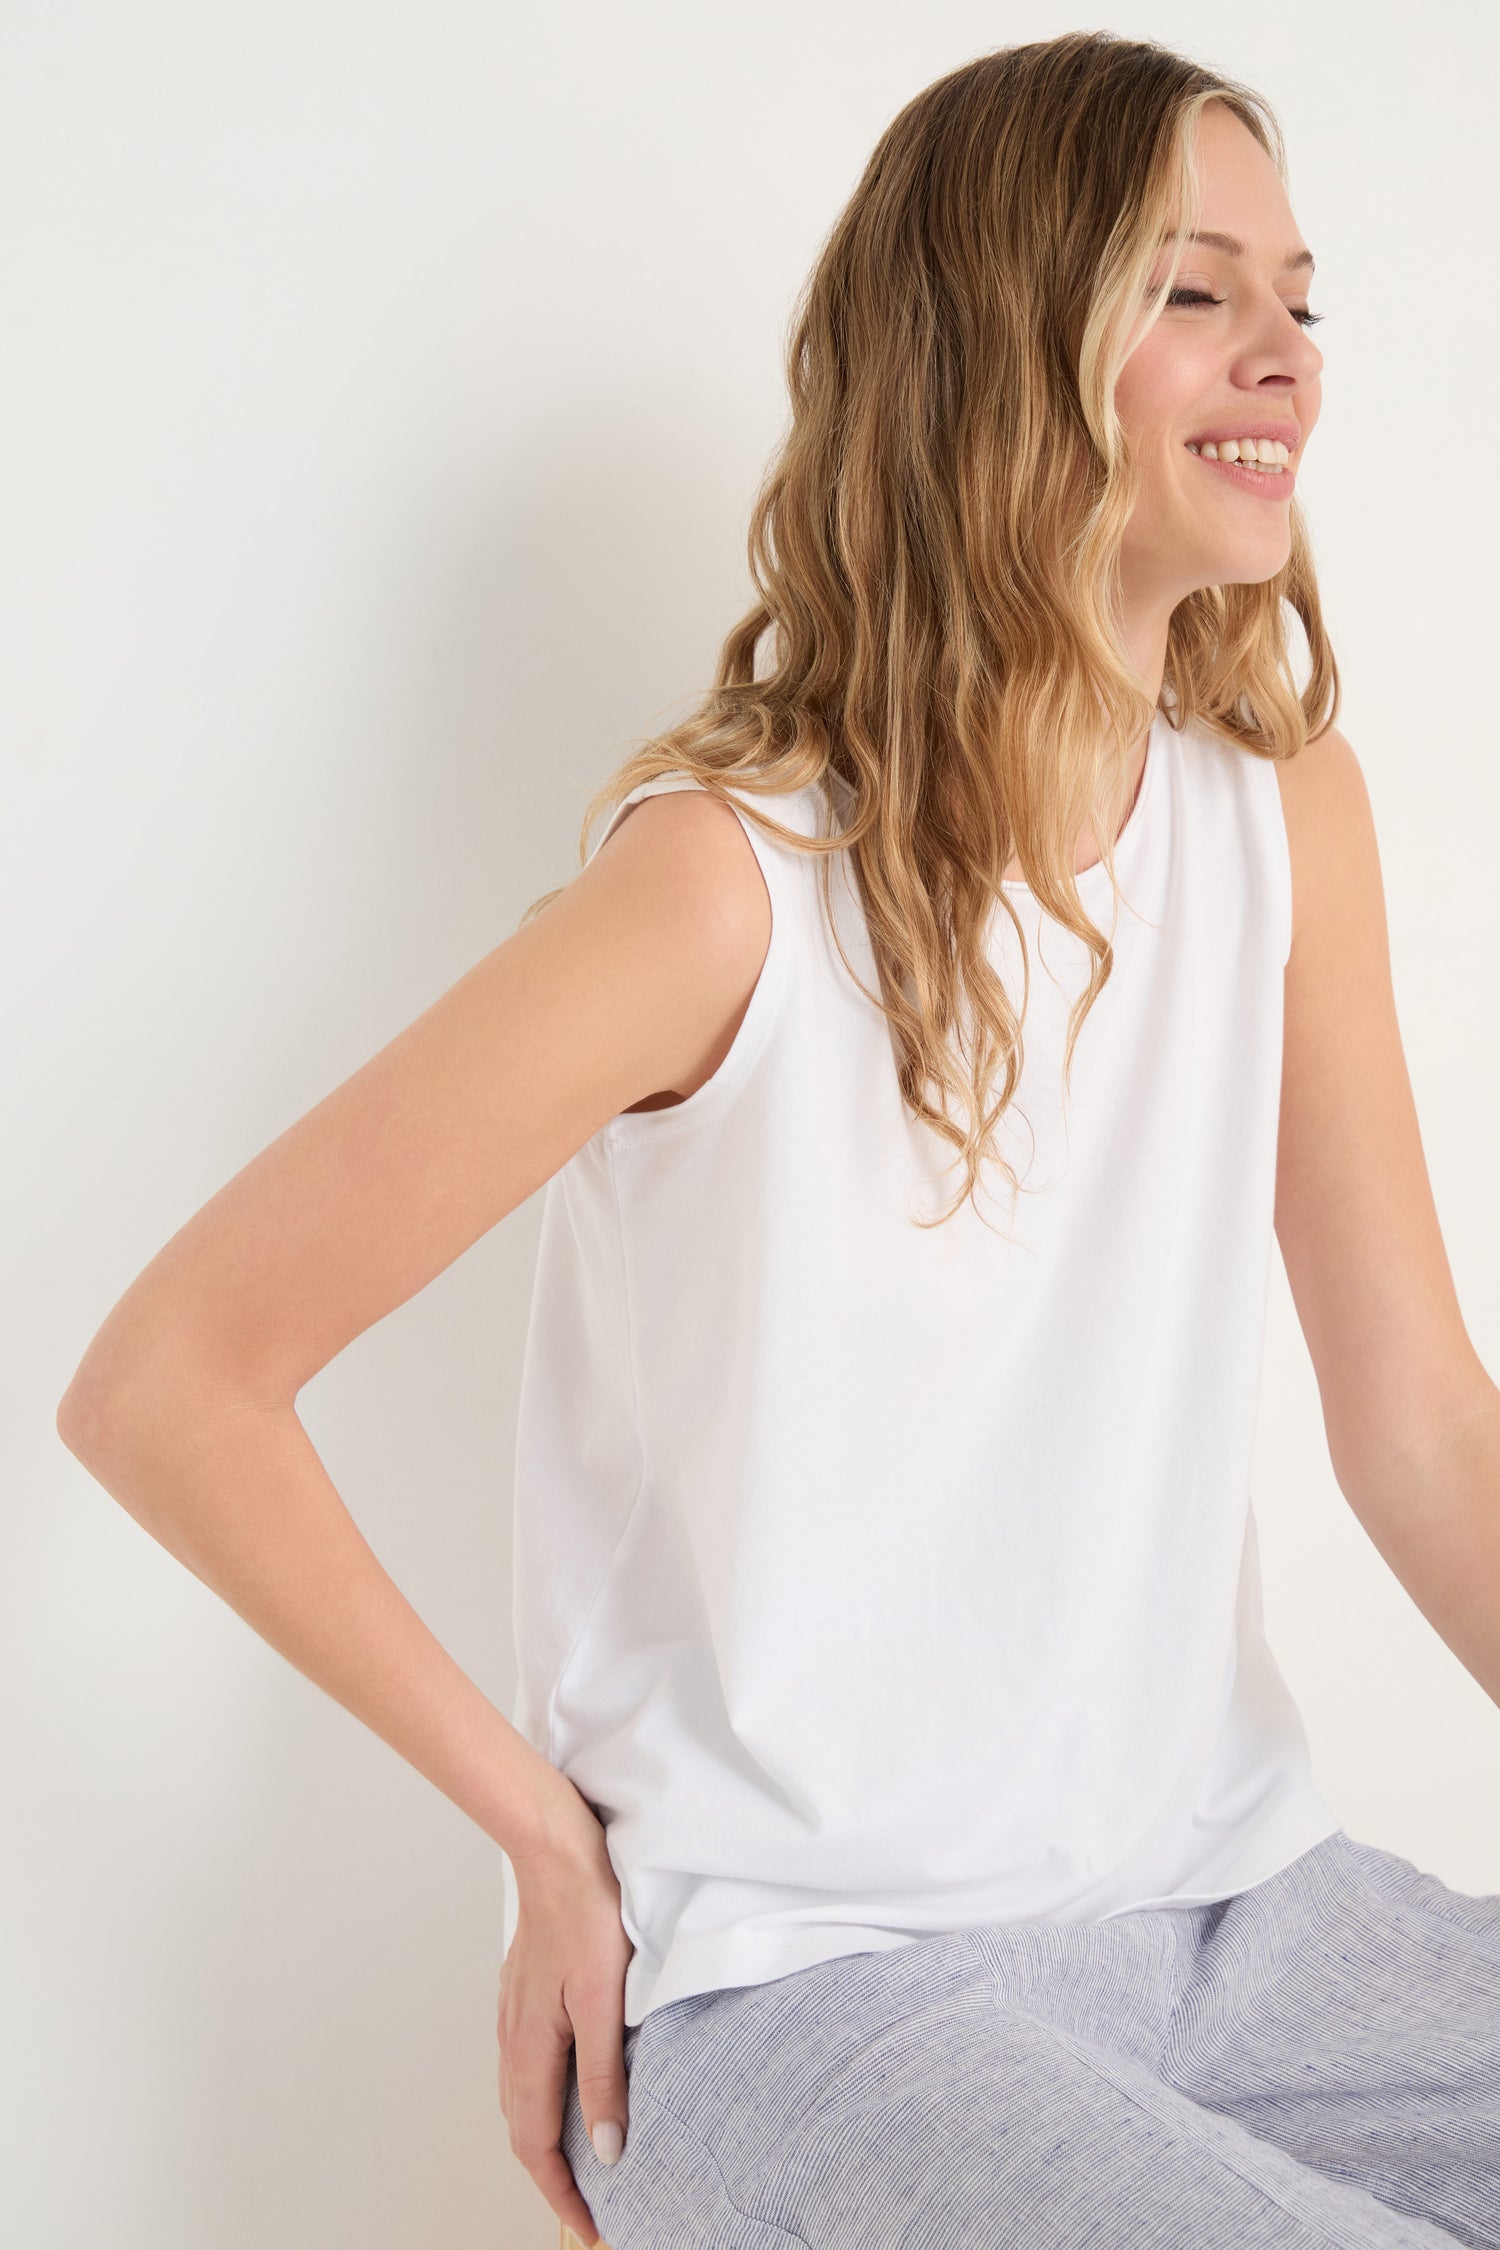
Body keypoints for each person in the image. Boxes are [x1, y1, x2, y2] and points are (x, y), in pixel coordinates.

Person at [56, 29, 1500, 2250]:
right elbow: (173, 1378)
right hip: (816, 1995)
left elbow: (1419, 1430)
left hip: (1249, 1931)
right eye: (1198, 291)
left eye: (1303, 296)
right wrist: (545, 1842)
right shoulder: (726, 887)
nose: (1284, 354)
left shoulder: (1288, 820)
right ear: (1006, 342)